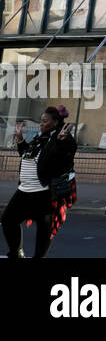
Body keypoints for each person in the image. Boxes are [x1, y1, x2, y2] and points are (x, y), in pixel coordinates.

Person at [2, 105, 77, 258]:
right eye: (41, 121)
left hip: (44, 192)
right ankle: (16, 252)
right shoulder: (40, 137)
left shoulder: (60, 138)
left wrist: (62, 141)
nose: (41, 124)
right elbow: (27, 154)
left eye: (45, 121)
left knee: (44, 230)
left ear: (55, 123)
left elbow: (67, 151)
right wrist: (20, 140)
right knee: (8, 220)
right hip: (24, 190)